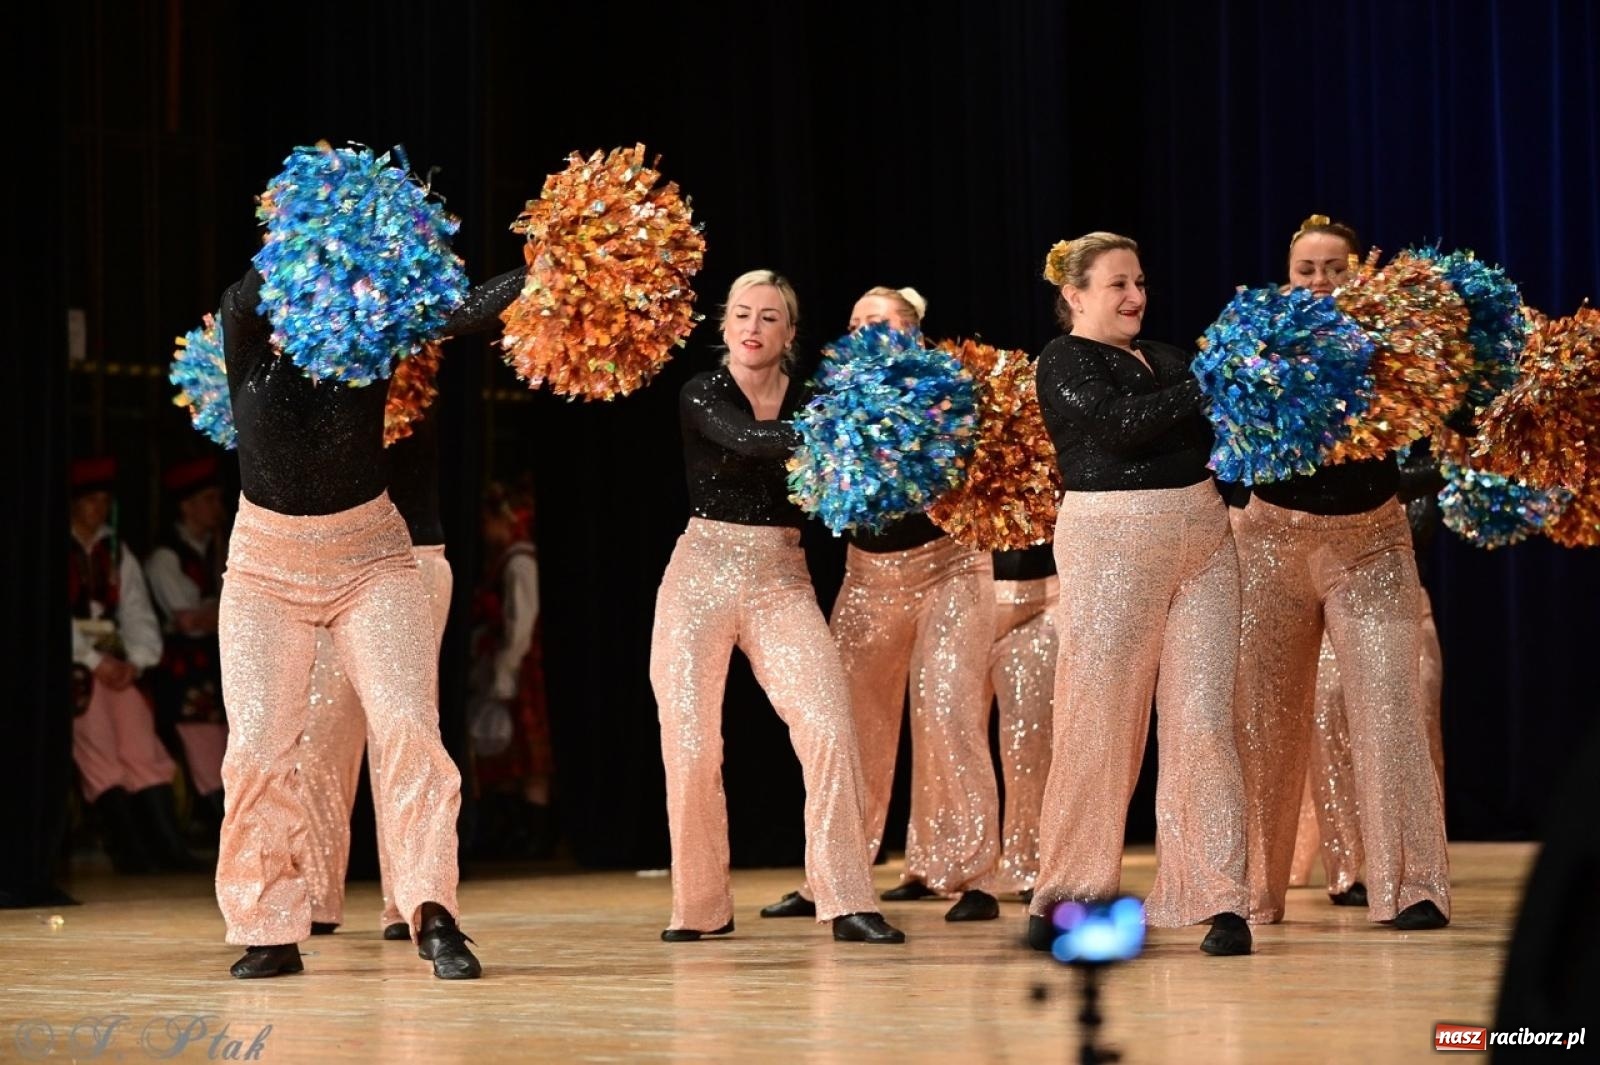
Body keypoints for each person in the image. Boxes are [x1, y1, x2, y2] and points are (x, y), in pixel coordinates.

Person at [214, 258, 521, 979]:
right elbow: (258, 283)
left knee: (411, 730)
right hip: (264, 567)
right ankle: (268, 926)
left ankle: (431, 911)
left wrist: (538, 268)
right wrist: (315, 234)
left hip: (373, 560)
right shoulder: (246, 321)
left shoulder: (373, 331)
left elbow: (464, 309)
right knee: (258, 747)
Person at [650, 269, 903, 944]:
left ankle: (848, 898)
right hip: (701, 570)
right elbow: (750, 440)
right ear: (724, 326)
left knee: (827, 725)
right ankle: (700, 906)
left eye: (768, 317)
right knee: (693, 745)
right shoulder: (702, 391)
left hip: (780, 577)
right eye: (741, 315)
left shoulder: (815, 396)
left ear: (790, 334)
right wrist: (840, 430)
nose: (752, 328)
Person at [1024, 233, 1252, 956]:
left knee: (1206, 719)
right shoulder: (1062, 360)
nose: (1134, 296)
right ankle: (1068, 894)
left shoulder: (1168, 355)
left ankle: (1218, 896)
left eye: (1141, 281)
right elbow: (1116, 429)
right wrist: (1209, 382)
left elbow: (1223, 434)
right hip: (1112, 541)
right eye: (1118, 283)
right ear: (1076, 295)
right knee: (1102, 720)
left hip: (1206, 537)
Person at [1230, 217, 1451, 930]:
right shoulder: (1254, 337)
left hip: (1371, 542)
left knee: (1391, 709)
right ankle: (1252, 894)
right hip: (1271, 542)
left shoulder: (1394, 342)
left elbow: (1445, 423)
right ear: (1285, 275)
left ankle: (1412, 885)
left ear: (1360, 273)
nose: (1320, 282)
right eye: (1306, 270)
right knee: (1264, 720)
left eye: (1335, 268)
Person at [761, 286, 1002, 925]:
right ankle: (832, 880)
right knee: (849, 726)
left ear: (916, 331)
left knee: (950, 709)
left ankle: (974, 875)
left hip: (950, 565)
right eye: (862, 322)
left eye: (888, 321)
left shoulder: (949, 387)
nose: (874, 332)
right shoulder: (829, 396)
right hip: (868, 576)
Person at [295, 410, 458, 941]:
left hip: (410, 560)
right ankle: (315, 897)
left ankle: (410, 899)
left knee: (403, 733)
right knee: (321, 734)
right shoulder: (310, 365)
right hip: (326, 560)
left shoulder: (412, 360)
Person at [69, 456, 202, 874]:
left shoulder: (114, 550)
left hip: (115, 662)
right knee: (98, 743)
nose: (99, 508)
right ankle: (129, 848)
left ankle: (167, 846)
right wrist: (91, 659)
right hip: (76, 667)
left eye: (104, 500)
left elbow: (136, 611)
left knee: (140, 740)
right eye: (91, 500)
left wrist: (137, 661)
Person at [466, 481, 554, 859]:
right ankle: (512, 833)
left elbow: (522, 620)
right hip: (503, 663)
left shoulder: (520, 560)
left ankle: (536, 836)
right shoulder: (502, 560)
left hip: (521, 668)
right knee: (506, 758)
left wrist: (507, 667)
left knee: (531, 758)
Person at [145, 455, 229, 839]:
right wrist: (223, 610)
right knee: (204, 746)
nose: (218, 508)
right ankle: (215, 826)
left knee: (227, 744)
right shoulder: (167, 556)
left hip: (216, 661)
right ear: (187, 505)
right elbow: (187, 620)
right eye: (209, 499)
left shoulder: (219, 548)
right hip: (185, 667)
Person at [986, 542, 1057, 899]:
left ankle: (1028, 862)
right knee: (947, 734)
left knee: (1028, 742)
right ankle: (954, 867)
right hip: (964, 591)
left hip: (1043, 596)